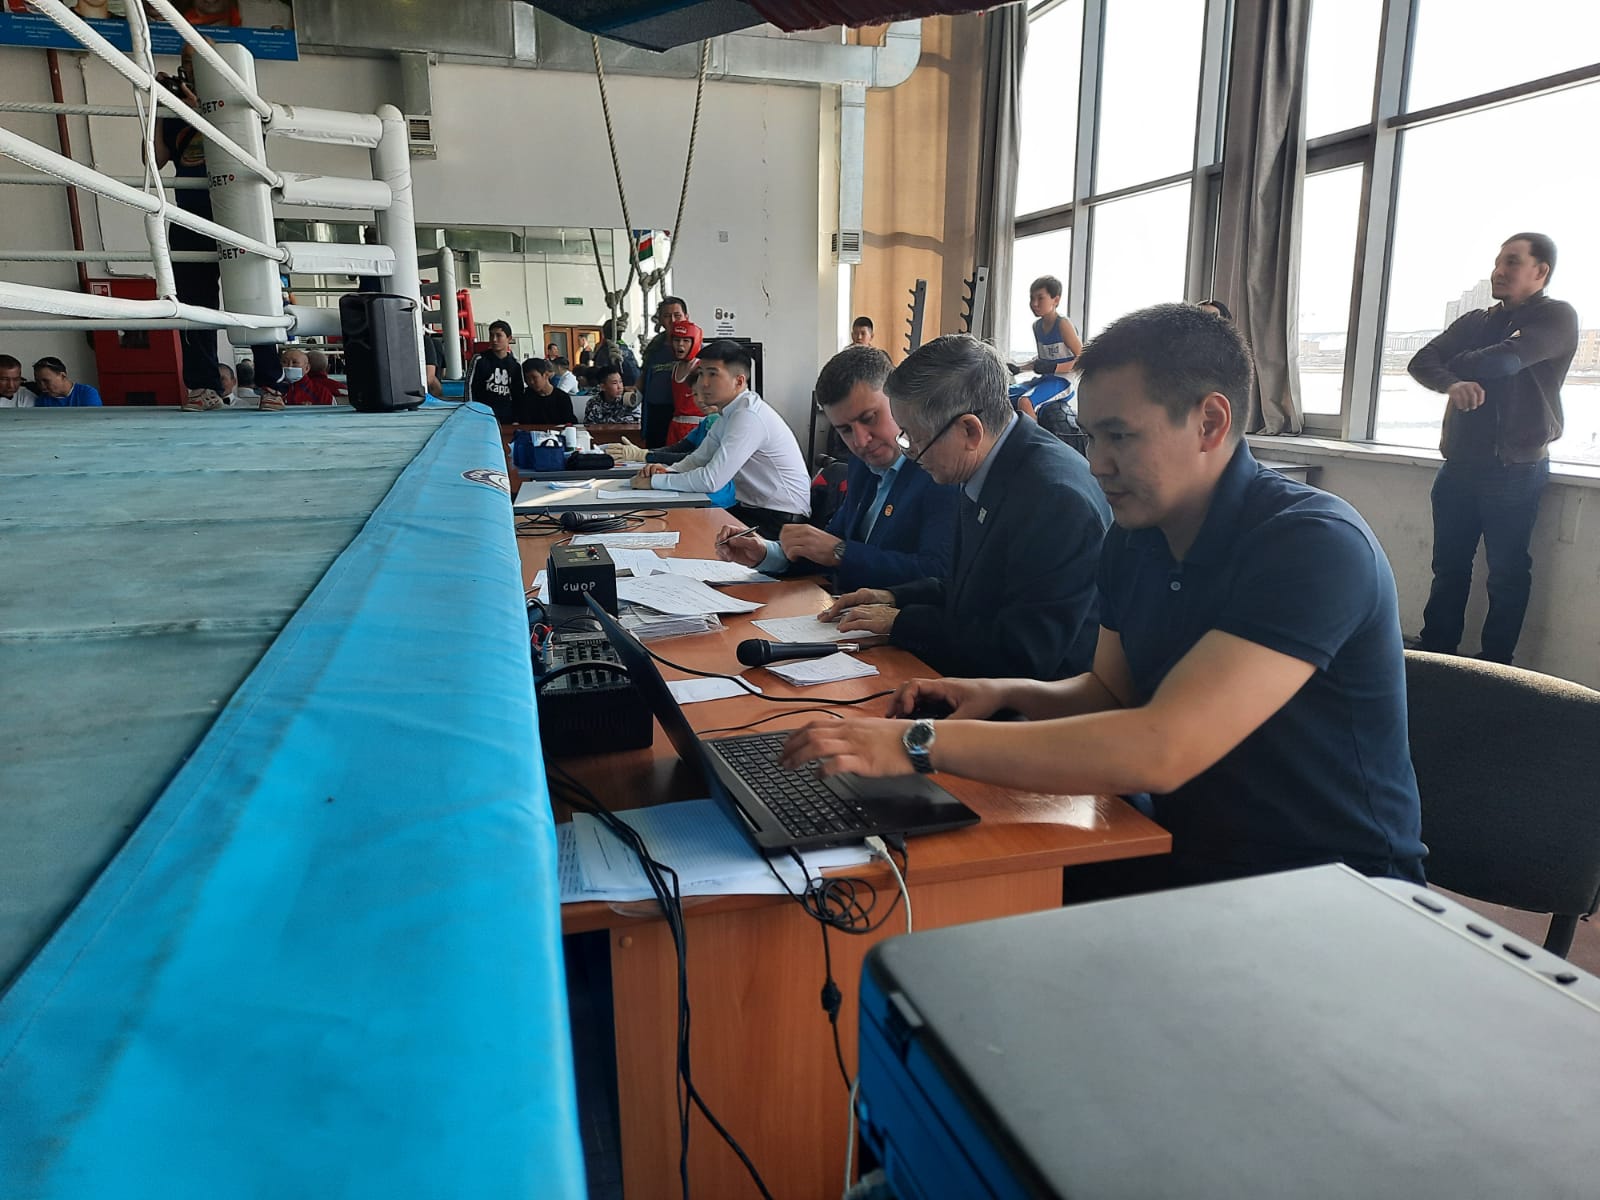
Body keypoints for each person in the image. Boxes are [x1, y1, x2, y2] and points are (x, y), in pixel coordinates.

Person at [782, 304, 1427, 888]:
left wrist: (916, 743)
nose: (1096, 463)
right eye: (1091, 438)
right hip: (1180, 848)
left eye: (1120, 437)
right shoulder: (1135, 537)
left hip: (1331, 886)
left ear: (1209, 422)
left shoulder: (1311, 544)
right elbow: (1109, 692)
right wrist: (1002, 693)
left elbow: (1161, 748)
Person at [821, 334, 1108, 680]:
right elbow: (969, 589)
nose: (909, 452)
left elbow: (1023, 652)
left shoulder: (1054, 499)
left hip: (1034, 702)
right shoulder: (986, 463)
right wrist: (892, 597)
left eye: (914, 438)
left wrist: (903, 622)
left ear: (969, 430)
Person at [1407, 233, 1579, 665]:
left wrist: (1455, 362)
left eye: (1513, 262)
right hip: (1458, 467)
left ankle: (1495, 667)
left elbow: (1503, 362)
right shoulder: (1475, 320)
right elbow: (1420, 360)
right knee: (1448, 568)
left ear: (1540, 271)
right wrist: (1451, 382)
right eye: (1498, 261)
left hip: (1515, 469)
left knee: (1506, 574)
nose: (1498, 271)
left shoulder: (1556, 317)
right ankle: (1438, 655)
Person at [715, 345, 958, 592]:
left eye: (869, 418)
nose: (860, 441)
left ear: (899, 401)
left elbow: (937, 575)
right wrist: (766, 553)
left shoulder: (938, 471)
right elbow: (829, 546)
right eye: (845, 430)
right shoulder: (862, 466)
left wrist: (841, 552)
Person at [150, 50, 280, 412]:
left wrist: (201, 110)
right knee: (193, 302)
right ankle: (202, 386)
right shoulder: (175, 110)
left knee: (256, 295)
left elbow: (248, 150)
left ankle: (271, 384)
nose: (190, 71)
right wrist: (158, 105)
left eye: (199, 63)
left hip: (240, 216)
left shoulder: (241, 105)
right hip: (192, 217)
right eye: (187, 64)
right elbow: (154, 159)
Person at [629, 339, 811, 537]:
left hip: (781, 521)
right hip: (754, 511)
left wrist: (656, 482)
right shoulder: (729, 413)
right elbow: (698, 459)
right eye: (701, 373)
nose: (703, 383)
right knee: (686, 528)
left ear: (739, 381)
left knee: (691, 536)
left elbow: (711, 480)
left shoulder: (748, 416)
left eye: (713, 374)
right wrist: (667, 471)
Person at [605, 369, 737, 509]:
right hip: (694, 490)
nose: (700, 400)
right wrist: (646, 455)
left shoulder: (725, 422)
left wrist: (645, 456)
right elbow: (678, 449)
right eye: (695, 394)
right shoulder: (706, 422)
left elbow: (695, 459)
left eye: (706, 394)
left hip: (716, 498)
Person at [1008, 275, 1083, 421]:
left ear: (1056, 300)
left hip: (1063, 382)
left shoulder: (1063, 324)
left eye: (1040, 298)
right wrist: (1019, 368)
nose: (1034, 303)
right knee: (1006, 394)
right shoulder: (1037, 326)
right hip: (1045, 379)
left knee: (1025, 402)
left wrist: (1055, 368)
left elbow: (1083, 358)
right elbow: (1042, 361)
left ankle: (1033, 436)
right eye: (1032, 298)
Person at [638, 296, 688, 447]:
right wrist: (633, 390)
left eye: (677, 315)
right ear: (660, 320)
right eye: (667, 316)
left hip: (684, 416)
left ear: (686, 317)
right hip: (656, 415)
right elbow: (644, 376)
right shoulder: (654, 347)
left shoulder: (695, 346)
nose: (672, 320)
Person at [469, 320, 529, 422]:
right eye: (491, 335)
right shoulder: (479, 359)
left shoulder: (515, 365)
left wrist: (517, 418)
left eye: (499, 335)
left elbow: (518, 394)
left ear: (509, 338)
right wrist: (472, 411)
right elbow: (470, 388)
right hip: (482, 415)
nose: (494, 339)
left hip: (507, 417)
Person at [665, 318, 705, 444]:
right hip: (675, 425)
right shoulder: (675, 367)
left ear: (695, 342)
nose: (680, 345)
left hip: (696, 426)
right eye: (677, 340)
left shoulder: (701, 367)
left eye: (686, 340)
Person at [521, 357, 577, 424]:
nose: (531, 382)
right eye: (527, 378)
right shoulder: (526, 397)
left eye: (534, 377)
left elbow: (569, 422)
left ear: (546, 375)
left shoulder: (562, 397)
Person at [32, 357, 102, 407]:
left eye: (46, 381)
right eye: (38, 381)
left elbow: (93, 420)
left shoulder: (87, 393)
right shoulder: (42, 400)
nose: (42, 386)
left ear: (62, 376)